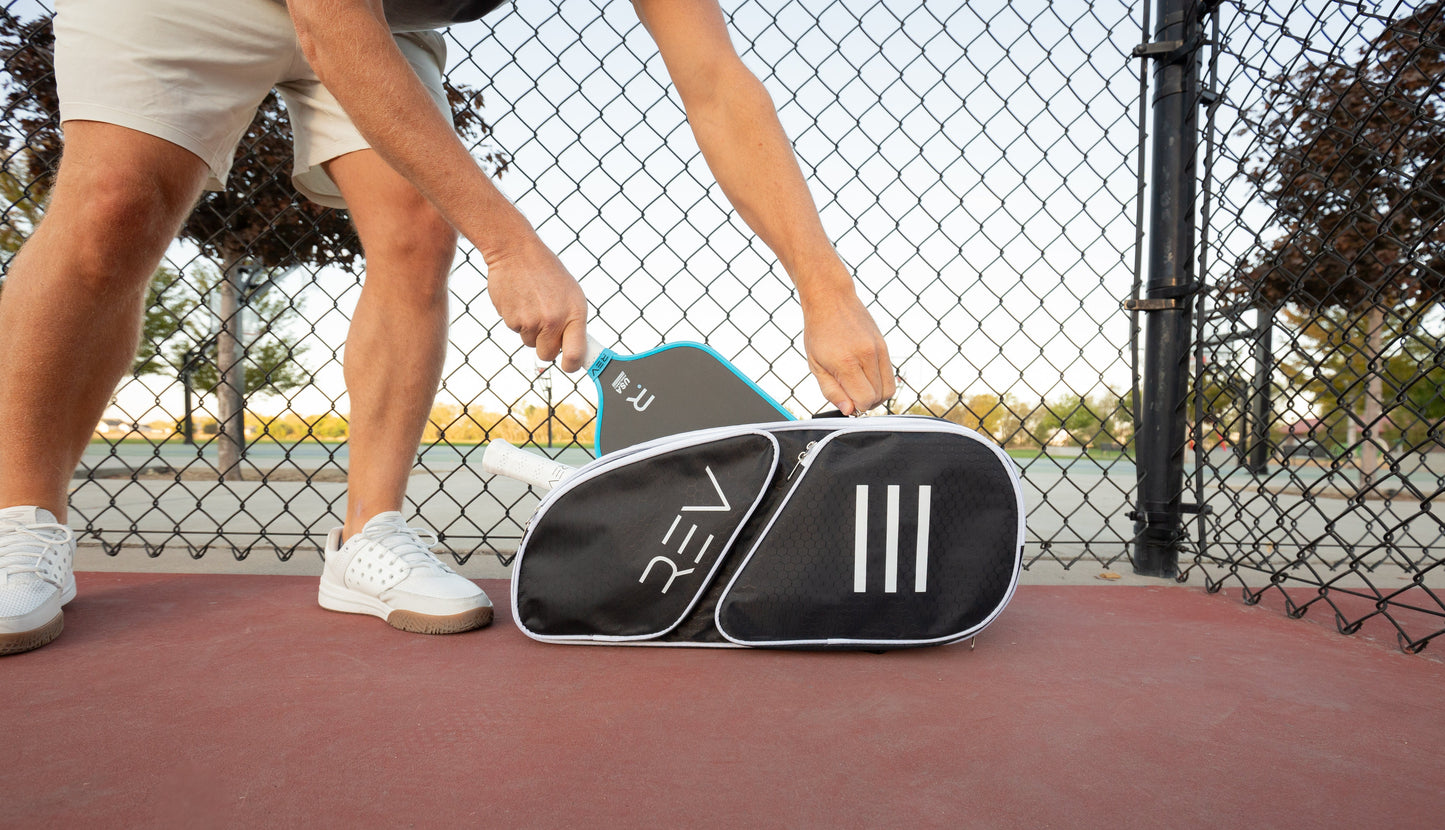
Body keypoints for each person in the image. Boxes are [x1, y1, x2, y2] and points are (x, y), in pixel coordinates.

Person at [0, 0, 896, 655]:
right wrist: (511, 246)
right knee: (114, 206)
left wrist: (826, 290)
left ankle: (368, 536)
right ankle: (21, 523)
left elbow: (715, 81)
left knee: (416, 222)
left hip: (374, 16)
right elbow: (325, 23)